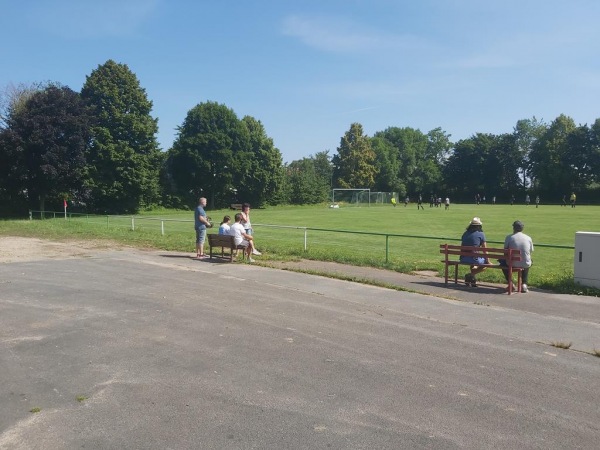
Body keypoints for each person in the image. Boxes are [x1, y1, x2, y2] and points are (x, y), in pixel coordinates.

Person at [501, 220, 534, 293]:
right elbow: (531, 251)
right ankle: (524, 284)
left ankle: (511, 283)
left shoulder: (509, 237)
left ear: (514, 228)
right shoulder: (528, 238)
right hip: (525, 263)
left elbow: (505, 252)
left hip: (511, 263)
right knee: (528, 261)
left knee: (502, 263)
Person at [460, 217, 488, 287]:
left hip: (463, 258)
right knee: (486, 265)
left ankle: (472, 280)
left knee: (474, 262)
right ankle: (470, 275)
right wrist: (488, 261)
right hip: (474, 258)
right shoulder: (481, 234)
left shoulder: (465, 233)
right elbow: (485, 249)